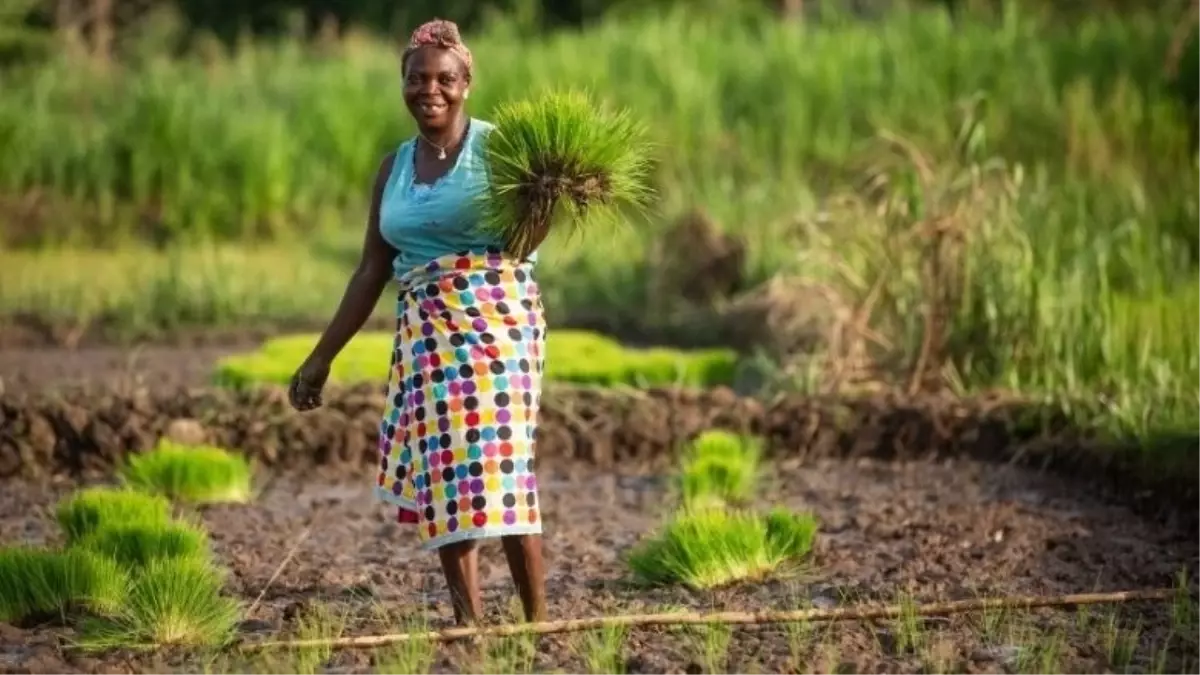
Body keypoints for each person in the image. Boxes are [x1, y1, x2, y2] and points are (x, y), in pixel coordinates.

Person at [287, 18, 548, 626]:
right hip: (426, 334)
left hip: (496, 327)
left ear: (466, 84)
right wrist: (320, 357)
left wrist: (548, 199)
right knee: (447, 474)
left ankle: (539, 623)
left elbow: (524, 239)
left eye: (445, 79)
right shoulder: (394, 168)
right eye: (416, 78)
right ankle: (470, 625)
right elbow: (371, 270)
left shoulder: (501, 148)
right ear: (402, 82)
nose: (430, 90)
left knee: (500, 463)